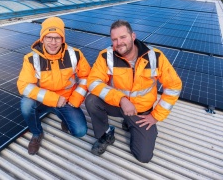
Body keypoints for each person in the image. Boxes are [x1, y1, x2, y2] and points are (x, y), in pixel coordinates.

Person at [85, 20, 182, 163]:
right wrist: (121, 99)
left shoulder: (155, 57)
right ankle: (106, 134)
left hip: (141, 111)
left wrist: (155, 116)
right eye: (114, 39)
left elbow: (174, 86)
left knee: (143, 157)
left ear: (133, 36)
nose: (119, 43)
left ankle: (131, 124)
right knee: (92, 100)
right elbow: (93, 82)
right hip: (118, 105)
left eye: (123, 37)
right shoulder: (107, 56)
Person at [17, 16, 91, 155]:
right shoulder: (31, 59)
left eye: (57, 38)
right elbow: (24, 85)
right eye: (49, 37)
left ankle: (62, 115)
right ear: (42, 39)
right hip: (43, 100)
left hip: (67, 100)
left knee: (80, 131)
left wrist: (76, 99)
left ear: (63, 39)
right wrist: (53, 99)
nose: (53, 42)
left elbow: (86, 77)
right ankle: (37, 133)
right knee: (26, 104)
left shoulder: (75, 54)